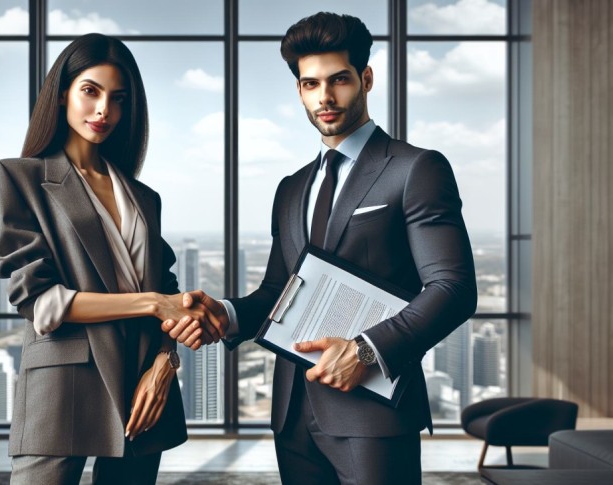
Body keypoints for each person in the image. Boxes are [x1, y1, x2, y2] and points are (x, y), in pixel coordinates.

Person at [163, 12, 477, 485]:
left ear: (365, 79)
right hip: (293, 416)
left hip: (372, 418)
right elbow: (278, 292)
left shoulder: (416, 169)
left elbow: (453, 288)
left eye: (339, 81)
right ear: (299, 91)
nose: (325, 98)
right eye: (310, 84)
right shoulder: (291, 188)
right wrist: (224, 315)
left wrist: (367, 351)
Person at [0, 33, 216, 484]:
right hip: (62, 389)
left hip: (144, 388)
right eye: (90, 91)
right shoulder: (19, 178)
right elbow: (44, 304)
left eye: (118, 98)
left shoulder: (144, 198)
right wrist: (151, 302)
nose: (103, 111)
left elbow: (169, 296)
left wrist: (165, 364)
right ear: (62, 95)